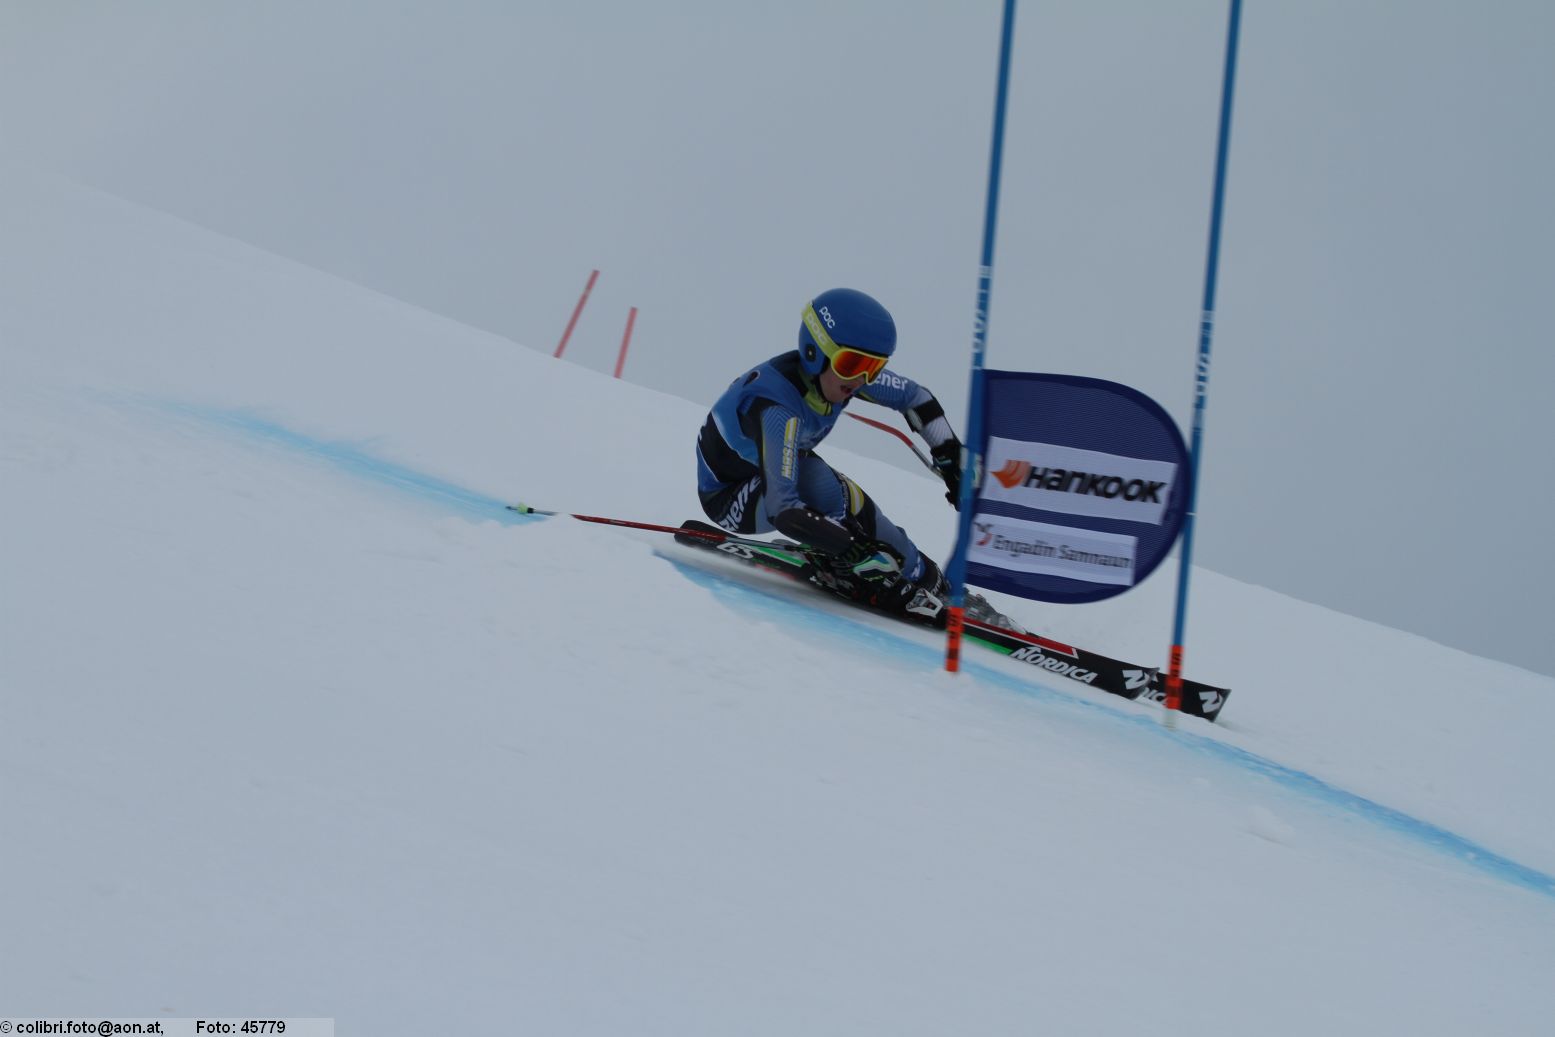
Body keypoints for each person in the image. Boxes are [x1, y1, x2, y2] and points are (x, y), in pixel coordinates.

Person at [695, 287, 964, 620]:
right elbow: (784, 508)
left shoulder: (836, 376)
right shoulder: (778, 408)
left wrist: (951, 457)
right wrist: (850, 549)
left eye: (873, 367)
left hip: (774, 476)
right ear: (815, 352)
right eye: (853, 363)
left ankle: (928, 578)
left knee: (856, 504)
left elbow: (916, 398)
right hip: (730, 498)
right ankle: (843, 568)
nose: (861, 379)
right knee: (820, 483)